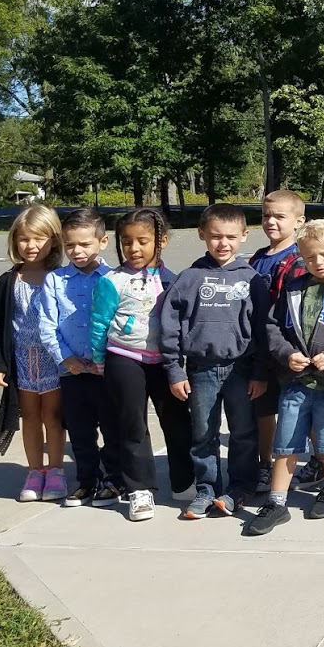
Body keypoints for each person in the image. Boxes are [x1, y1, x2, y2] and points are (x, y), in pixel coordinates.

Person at [247, 220, 324, 536]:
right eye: (310, 257)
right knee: (287, 440)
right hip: (296, 381)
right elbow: (274, 328)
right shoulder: (294, 289)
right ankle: (277, 502)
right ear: (301, 255)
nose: (318, 262)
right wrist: (286, 354)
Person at [159, 203, 269, 519]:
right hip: (200, 370)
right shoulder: (188, 278)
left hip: (241, 369)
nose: (223, 243)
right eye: (216, 236)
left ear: (244, 236)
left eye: (231, 237)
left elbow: (262, 329)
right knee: (203, 434)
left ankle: (240, 488)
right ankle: (206, 491)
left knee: (243, 433)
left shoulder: (252, 279)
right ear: (202, 235)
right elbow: (170, 326)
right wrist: (174, 369)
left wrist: (260, 372)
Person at [89, 209, 193, 522]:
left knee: (176, 419)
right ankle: (139, 489)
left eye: (143, 241)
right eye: (127, 242)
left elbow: (182, 324)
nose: (134, 248)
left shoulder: (172, 280)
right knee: (133, 424)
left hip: (163, 361)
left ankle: (185, 481)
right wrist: (98, 358)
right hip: (124, 357)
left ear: (161, 241)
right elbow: (99, 322)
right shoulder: (112, 281)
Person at [37, 208, 118, 507]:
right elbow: (47, 324)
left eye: (85, 244)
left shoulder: (115, 279)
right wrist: (65, 358)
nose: (77, 251)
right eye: (71, 245)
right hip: (71, 372)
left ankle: (112, 481)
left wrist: (107, 359)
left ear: (103, 241)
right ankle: (87, 481)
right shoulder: (55, 280)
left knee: (112, 427)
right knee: (81, 430)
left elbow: (122, 322)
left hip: (105, 370)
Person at [0, 205, 67, 502]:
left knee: (54, 416)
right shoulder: (9, 281)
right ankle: (36, 471)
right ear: (14, 241)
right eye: (24, 239)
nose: (31, 246)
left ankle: (56, 471)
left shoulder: (60, 278)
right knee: (30, 417)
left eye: (39, 239)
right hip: (22, 361)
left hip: (54, 361)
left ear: (54, 241)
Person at [249, 189, 308, 494]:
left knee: (298, 407)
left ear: (299, 221)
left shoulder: (299, 259)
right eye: (266, 215)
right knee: (264, 409)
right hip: (259, 349)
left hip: (288, 350)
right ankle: (265, 463)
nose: (270, 221)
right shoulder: (258, 258)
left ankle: (318, 461)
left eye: (279, 216)